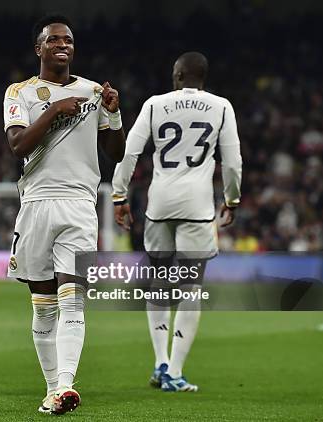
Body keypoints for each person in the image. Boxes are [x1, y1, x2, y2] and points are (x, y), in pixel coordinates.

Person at [3, 15, 125, 414]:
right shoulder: (20, 92)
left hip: (80, 204)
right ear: (38, 48)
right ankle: (52, 388)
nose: (63, 45)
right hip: (36, 203)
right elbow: (18, 146)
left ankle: (66, 385)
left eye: (69, 40)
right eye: (54, 39)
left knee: (73, 300)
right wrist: (54, 110)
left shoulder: (92, 90)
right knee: (42, 305)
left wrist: (114, 112)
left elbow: (116, 153)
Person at [112, 51, 242, 392]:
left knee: (158, 285)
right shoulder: (222, 106)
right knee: (190, 288)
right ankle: (175, 371)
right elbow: (232, 161)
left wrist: (119, 195)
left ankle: (160, 363)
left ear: (181, 75)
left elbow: (130, 151)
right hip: (197, 207)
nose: (172, 76)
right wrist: (232, 199)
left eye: (174, 72)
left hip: (160, 205)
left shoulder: (155, 104)